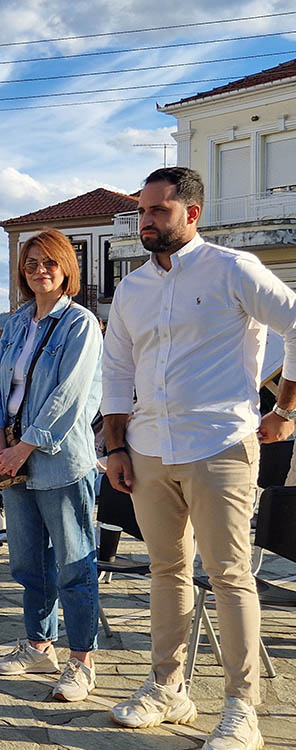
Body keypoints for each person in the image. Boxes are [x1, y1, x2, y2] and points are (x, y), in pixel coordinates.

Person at [102, 167, 296, 749]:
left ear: (192, 213)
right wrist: (116, 445)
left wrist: (285, 409)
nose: (146, 221)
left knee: (230, 576)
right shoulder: (133, 288)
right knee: (167, 571)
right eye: (142, 211)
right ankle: (168, 688)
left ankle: (242, 709)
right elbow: (117, 370)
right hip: (149, 448)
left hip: (220, 445)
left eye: (158, 210)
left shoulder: (234, 269)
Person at [0, 229, 102, 702]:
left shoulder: (80, 324)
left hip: (59, 460)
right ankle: (38, 645)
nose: (39, 271)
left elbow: (68, 396)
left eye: (49, 262)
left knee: (73, 563)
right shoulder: (16, 323)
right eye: (31, 263)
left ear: (66, 268)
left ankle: (82, 660)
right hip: (12, 456)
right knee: (29, 562)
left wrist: (23, 448)